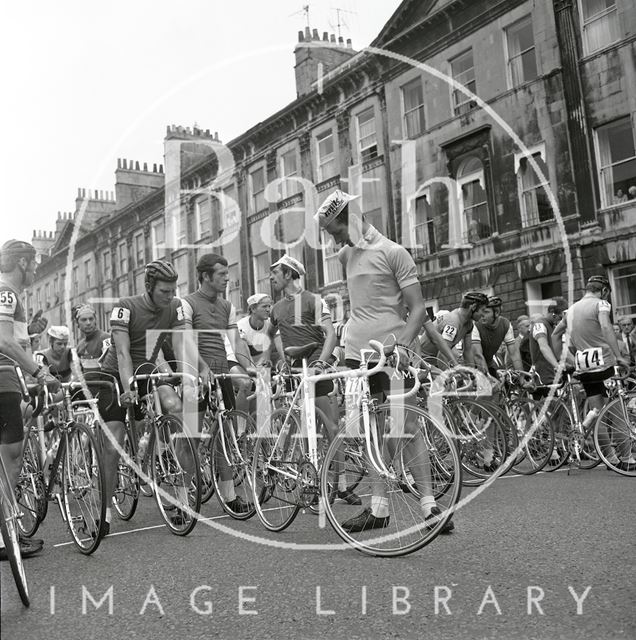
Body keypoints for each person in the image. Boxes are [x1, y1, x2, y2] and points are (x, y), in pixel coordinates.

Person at [316, 189, 456, 533]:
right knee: (368, 430)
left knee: (406, 426)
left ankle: (429, 506)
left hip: (391, 352)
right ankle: (378, 508)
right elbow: (357, 309)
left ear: (349, 218)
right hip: (356, 355)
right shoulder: (345, 255)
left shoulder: (394, 252)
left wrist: (404, 345)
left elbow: (418, 308)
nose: (334, 240)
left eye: (335, 231)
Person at [99, 260, 190, 532]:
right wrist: (128, 387)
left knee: (175, 408)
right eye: (164, 291)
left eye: (173, 290)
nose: (170, 296)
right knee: (115, 440)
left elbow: (182, 344)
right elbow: (124, 353)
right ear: (149, 287)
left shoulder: (174, 307)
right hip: (116, 375)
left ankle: (180, 497)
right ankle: (103, 513)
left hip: (148, 370)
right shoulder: (125, 307)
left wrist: (189, 373)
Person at [265, 254, 360, 505]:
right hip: (296, 371)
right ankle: (309, 480)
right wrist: (275, 355)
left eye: (275, 272)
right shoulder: (275, 308)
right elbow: (269, 333)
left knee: (332, 428)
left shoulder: (313, 301)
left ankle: (340, 486)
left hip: (317, 368)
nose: (270, 277)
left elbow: (330, 335)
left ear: (288, 274)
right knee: (303, 428)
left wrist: (322, 363)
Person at [181, 253, 253, 513]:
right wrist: (201, 368)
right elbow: (186, 341)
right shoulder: (186, 304)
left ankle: (229, 495)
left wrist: (252, 368)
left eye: (227, 273)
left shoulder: (227, 306)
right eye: (221, 274)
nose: (227, 278)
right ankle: (180, 500)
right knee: (190, 437)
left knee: (226, 433)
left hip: (221, 370)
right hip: (194, 373)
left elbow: (236, 342)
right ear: (205, 276)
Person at [0, 240, 56, 559]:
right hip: (4, 376)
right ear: (22, 263)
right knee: (11, 459)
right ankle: (6, 537)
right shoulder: (7, 292)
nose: (36, 269)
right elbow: (5, 341)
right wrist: (38, 372)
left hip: (10, 376)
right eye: (33, 263)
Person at [552, 276, 633, 470]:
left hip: (584, 366)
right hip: (604, 362)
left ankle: (611, 459)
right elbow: (605, 326)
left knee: (598, 413)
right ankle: (627, 459)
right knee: (617, 412)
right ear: (604, 291)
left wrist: (561, 361)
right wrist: (618, 355)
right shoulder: (601, 304)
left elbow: (556, 335)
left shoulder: (570, 310)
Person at [420, 292, 489, 368]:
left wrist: (472, 373)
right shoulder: (453, 322)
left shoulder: (469, 324)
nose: (483, 315)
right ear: (473, 307)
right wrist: (450, 375)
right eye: (482, 310)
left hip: (434, 362)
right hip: (423, 361)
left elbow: (467, 351)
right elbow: (442, 355)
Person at [471, 296, 523, 377]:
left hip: (488, 364)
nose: (482, 315)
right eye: (481, 311)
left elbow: (514, 353)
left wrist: (521, 377)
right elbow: (478, 355)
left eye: (486, 312)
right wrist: (489, 380)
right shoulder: (475, 324)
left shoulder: (505, 324)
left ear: (497, 313)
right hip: (470, 366)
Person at [528, 297, 568, 392]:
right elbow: (544, 347)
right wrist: (557, 366)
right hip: (543, 376)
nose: (560, 321)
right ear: (553, 313)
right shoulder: (540, 325)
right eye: (560, 318)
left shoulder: (554, 326)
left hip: (553, 375)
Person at [237, 293, 272, 367]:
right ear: (253, 309)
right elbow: (243, 351)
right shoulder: (241, 326)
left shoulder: (271, 323)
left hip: (265, 361)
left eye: (269, 306)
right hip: (244, 362)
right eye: (264, 306)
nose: (268, 310)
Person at [75, 304, 111, 369]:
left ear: (95, 320)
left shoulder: (106, 339)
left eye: (91, 319)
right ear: (77, 323)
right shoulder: (80, 346)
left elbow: (111, 368)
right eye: (84, 320)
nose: (88, 323)